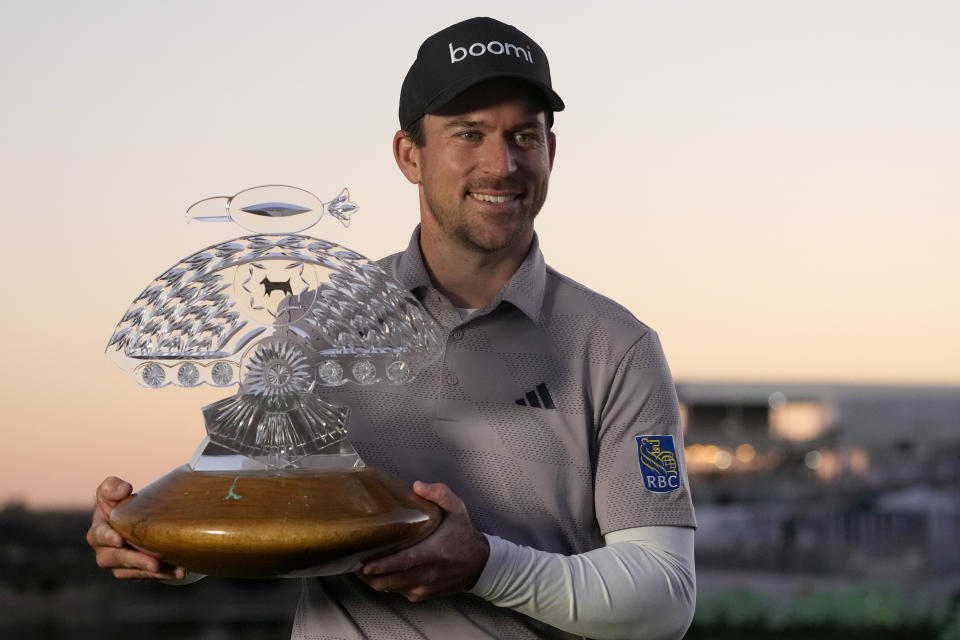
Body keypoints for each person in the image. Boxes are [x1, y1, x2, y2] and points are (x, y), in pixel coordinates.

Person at [87, 17, 697, 640]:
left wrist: (484, 565)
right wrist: (157, 544)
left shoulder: (616, 350)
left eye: (524, 135)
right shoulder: (310, 328)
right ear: (410, 155)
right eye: (469, 133)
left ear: (552, 151)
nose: (502, 163)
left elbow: (664, 599)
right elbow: (250, 514)